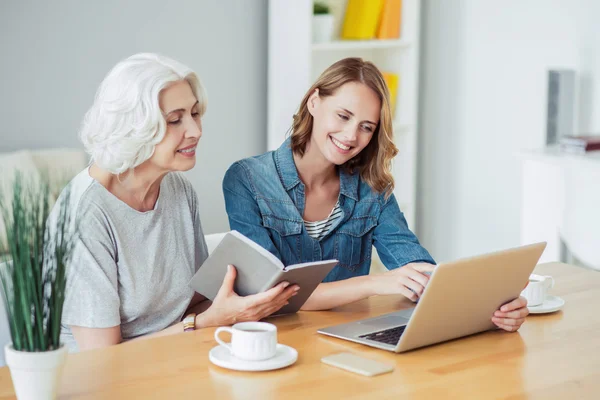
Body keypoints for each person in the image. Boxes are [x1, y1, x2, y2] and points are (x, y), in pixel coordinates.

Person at [223, 57, 528, 332]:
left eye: (366, 127)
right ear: (314, 102)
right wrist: (375, 284)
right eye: (343, 116)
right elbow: (274, 292)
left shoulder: (371, 188)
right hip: (274, 343)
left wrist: (492, 307)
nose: (351, 136)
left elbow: (417, 268)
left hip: (347, 337)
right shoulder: (247, 180)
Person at [55, 53, 298, 352]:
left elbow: (193, 299)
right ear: (134, 127)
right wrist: (208, 321)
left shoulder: (178, 190)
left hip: (178, 356)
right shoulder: (87, 214)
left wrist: (249, 299)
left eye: (195, 114)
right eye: (175, 120)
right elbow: (104, 358)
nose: (195, 131)